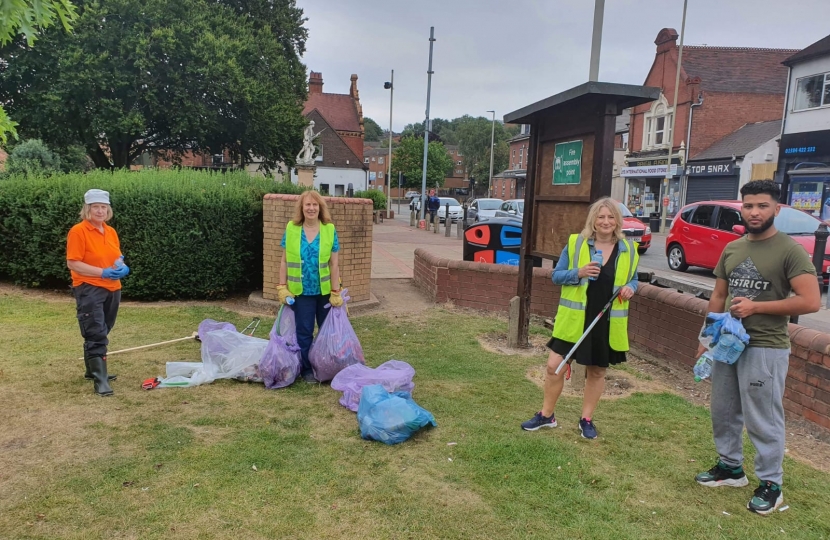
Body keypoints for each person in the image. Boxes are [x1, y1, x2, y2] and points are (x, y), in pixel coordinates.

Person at [694, 180, 820, 515]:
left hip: (766, 347)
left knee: (762, 417)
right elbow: (718, 296)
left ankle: (771, 485)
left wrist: (757, 307)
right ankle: (730, 467)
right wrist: (706, 339)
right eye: (749, 205)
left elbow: (810, 301)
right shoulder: (733, 249)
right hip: (727, 343)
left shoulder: (788, 250)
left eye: (762, 205)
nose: (754, 211)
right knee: (723, 409)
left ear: (776, 209)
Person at [521, 197, 639, 439]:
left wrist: (632, 288)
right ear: (593, 220)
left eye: (610, 217)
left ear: (617, 220)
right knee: (554, 366)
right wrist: (579, 272)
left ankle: (586, 419)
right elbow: (556, 276)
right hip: (574, 320)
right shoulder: (577, 243)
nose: (606, 222)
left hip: (605, 322)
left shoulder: (628, 249)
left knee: (596, 372)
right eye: (601, 216)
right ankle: (547, 415)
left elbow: (633, 279)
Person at [66, 189, 131, 396]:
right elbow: (73, 263)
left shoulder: (110, 231)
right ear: (88, 209)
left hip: (113, 287)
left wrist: (121, 265)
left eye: (104, 207)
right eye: (96, 207)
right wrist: (102, 272)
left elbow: (117, 255)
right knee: (95, 330)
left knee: (104, 326)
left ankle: (91, 370)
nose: (100, 211)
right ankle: (100, 380)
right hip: (89, 287)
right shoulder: (78, 231)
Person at [277, 191, 343, 383]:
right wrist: (282, 287)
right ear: (302, 208)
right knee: (304, 331)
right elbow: (284, 261)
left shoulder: (329, 230)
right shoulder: (291, 229)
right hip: (302, 291)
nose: (311, 208)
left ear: (320, 208)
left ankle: (325, 367)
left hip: (324, 292)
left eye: (315, 205)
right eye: (308, 205)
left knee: (326, 331)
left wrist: (335, 292)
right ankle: (306, 370)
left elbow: (334, 264)